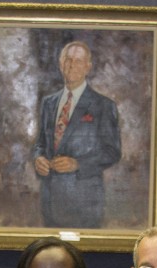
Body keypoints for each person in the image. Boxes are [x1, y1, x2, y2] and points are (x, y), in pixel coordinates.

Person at [33, 41, 121, 229]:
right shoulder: (48, 103)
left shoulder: (103, 106)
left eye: (78, 61)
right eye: (68, 60)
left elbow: (112, 152)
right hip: (49, 201)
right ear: (60, 64)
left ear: (88, 67)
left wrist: (77, 164)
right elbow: (40, 143)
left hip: (85, 203)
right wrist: (38, 158)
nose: (72, 65)